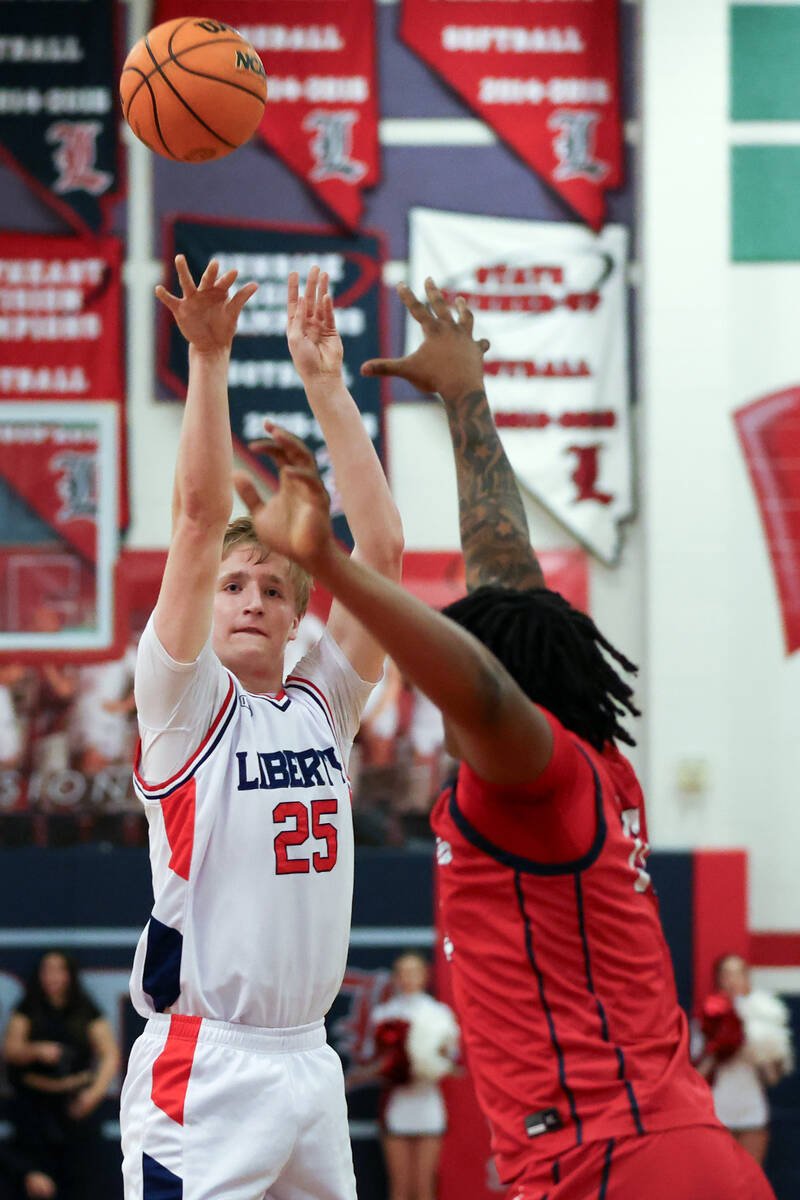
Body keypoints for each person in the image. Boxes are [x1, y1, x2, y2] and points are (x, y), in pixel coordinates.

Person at [233, 278, 777, 1200]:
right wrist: (464, 399)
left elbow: (484, 686)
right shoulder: (593, 761)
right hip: (665, 1149)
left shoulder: (538, 774)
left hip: (615, 1162)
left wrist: (328, 566)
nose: (440, 697)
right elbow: (510, 583)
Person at [120, 258, 403, 1199]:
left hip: (310, 1066)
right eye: (234, 587)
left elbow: (384, 551)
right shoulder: (182, 701)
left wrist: (326, 385)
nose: (248, 601)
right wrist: (209, 359)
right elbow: (200, 522)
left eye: (272, 589)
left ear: (297, 617)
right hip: (205, 1068)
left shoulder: (324, 703)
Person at [2, 950, 119, 1200]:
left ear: (70, 975)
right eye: (47, 970)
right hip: (35, 1108)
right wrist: (35, 1051)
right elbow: (11, 1050)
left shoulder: (86, 1010)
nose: (53, 977)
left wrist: (93, 1094)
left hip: (76, 1106)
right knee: (36, 1183)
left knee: (82, 1181)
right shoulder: (27, 1009)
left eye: (59, 970)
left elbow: (110, 1054)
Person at [368, 953, 458, 1200]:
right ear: (396, 977)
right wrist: (395, 1068)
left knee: (424, 1184)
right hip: (398, 1104)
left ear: (424, 975)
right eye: (403, 972)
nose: (408, 978)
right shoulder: (384, 1014)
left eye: (414, 971)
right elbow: (376, 1060)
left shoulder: (440, 1013)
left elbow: (452, 1057)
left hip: (428, 1101)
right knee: (400, 1184)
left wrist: (433, 1064)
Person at [696, 953, 794, 1166]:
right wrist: (718, 1047)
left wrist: (756, 1045)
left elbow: (772, 1079)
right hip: (715, 1113)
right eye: (726, 974)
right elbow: (695, 1078)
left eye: (738, 973)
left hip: (751, 1113)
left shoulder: (764, 1017)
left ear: (747, 978)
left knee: (751, 1186)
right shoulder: (704, 1020)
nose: (732, 980)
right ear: (718, 979)